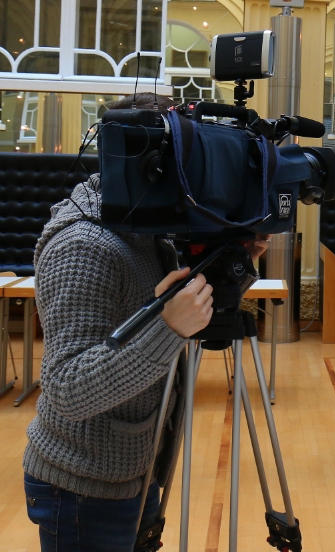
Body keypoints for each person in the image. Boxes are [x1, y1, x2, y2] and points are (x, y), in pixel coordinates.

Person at [22, 93, 270, 551]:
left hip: (137, 466)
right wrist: (167, 330)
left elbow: (190, 312)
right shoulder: (84, 246)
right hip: (83, 487)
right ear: (149, 159)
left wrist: (239, 259)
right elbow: (66, 390)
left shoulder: (148, 223)